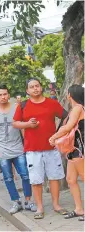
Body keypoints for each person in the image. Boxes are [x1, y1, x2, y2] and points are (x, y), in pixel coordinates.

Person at [13, 78, 68, 219]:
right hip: (32, 149)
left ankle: (56, 205)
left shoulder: (52, 103)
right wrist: (27, 125)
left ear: (41, 87)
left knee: (54, 177)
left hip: (51, 147)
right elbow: (15, 123)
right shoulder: (23, 105)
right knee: (36, 180)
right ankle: (39, 208)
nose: (35, 88)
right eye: (31, 87)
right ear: (27, 91)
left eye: (37, 86)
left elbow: (66, 117)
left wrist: (59, 133)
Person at [0, 85, 36, 214]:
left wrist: (28, 144)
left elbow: (24, 126)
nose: (3, 97)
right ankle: (16, 202)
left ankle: (28, 201)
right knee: (8, 178)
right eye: (0, 95)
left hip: (18, 147)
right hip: (2, 150)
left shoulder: (16, 107)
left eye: (5, 94)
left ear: (8, 95)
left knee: (25, 175)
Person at [49, 84, 84, 221]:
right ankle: (79, 209)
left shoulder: (77, 108)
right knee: (71, 179)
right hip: (72, 149)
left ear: (70, 94)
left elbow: (68, 127)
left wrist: (54, 137)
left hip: (79, 148)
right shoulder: (75, 109)